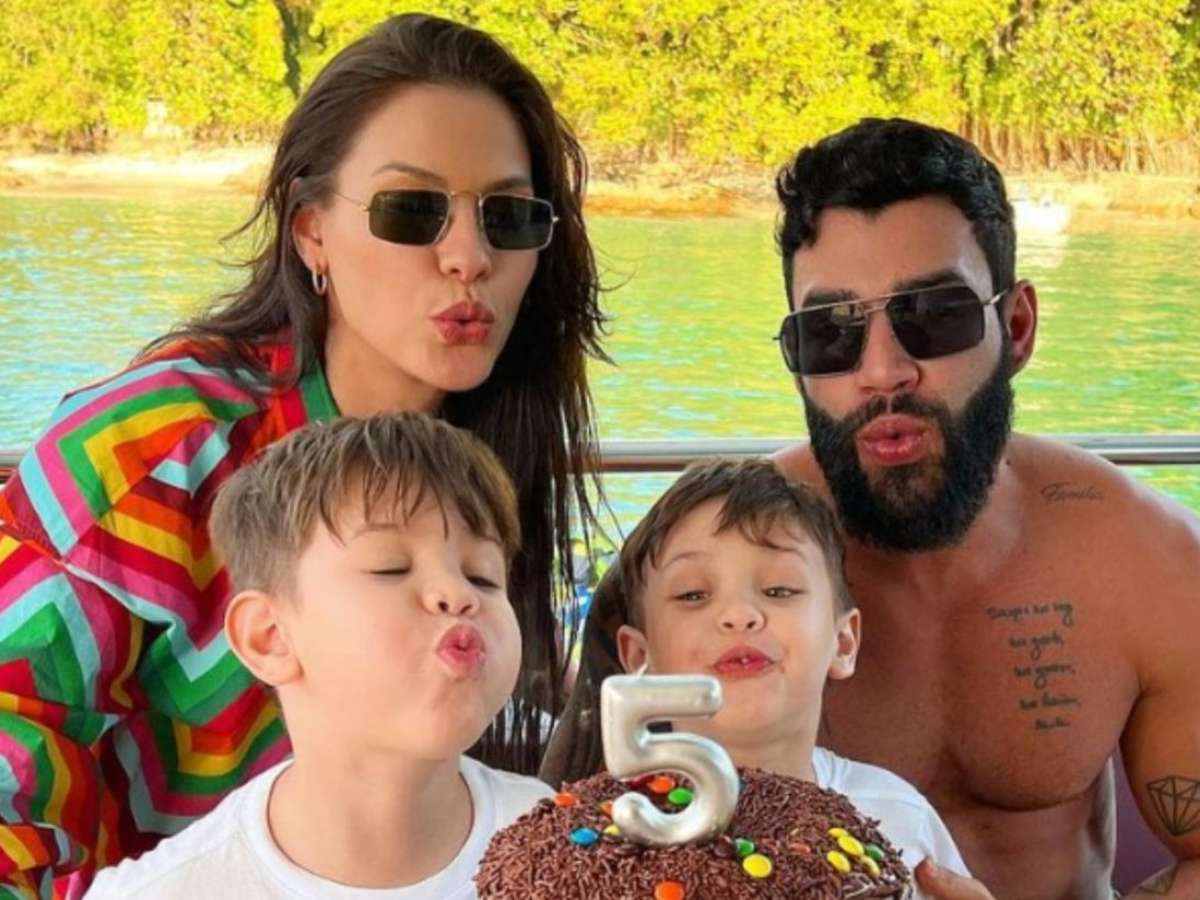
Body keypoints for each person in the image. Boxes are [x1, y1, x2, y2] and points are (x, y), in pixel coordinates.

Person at [0, 14, 604, 896]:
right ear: (311, 229)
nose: (469, 258)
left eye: (507, 218)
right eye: (413, 211)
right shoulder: (158, 447)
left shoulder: (490, 457)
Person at [768, 118, 1200, 898]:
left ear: (1017, 327)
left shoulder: (1143, 558)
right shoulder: (712, 566)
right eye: (830, 333)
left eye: (934, 316)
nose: (883, 371)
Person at [85, 413, 552, 899]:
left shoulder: (564, 846)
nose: (458, 593)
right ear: (269, 637)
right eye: (391, 568)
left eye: (483, 576)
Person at [613, 459, 974, 895]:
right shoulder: (602, 834)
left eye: (779, 590)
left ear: (843, 642)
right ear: (640, 658)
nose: (739, 615)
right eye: (693, 595)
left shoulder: (898, 817)